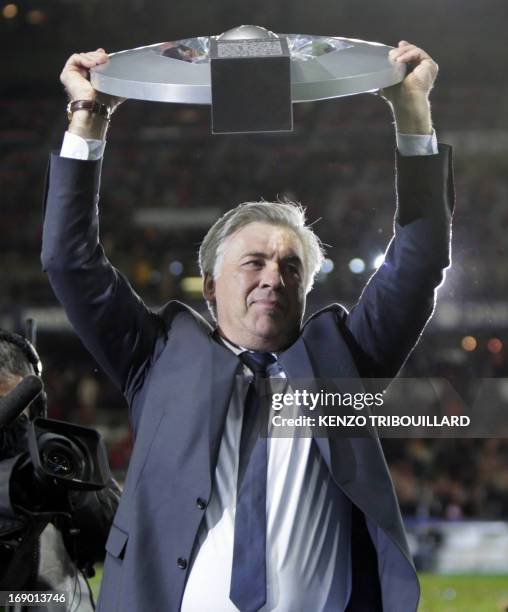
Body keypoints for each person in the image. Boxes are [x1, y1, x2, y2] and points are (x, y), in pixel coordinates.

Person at [42, 41, 454, 611]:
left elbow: (419, 260)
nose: (273, 278)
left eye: (290, 266)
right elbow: (70, 260)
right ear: (211, 287)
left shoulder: (344, 362)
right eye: (253, 263)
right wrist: (89, 118)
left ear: (306, 288)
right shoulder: (156, 356)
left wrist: (412, 112)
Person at [0, 331, 121, 611]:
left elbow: (120, 536)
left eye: (14, 406)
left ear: (37, 407)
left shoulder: (55, 462)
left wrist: (73, 493)